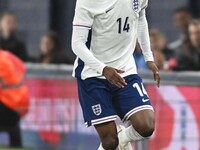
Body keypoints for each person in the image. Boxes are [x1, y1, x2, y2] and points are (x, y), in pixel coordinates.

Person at [71, 0, 160, 149]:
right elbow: (77, 43)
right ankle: (116, 140)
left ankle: (122, 137)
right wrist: (103, 69)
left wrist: (148, 57)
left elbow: (140, 17)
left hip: (126, 70)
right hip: (93, 75)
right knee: (110, 142)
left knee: (146, 127)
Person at [0, 49, 29, 147]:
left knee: (8, 122)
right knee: (12, 125)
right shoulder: (8, 55)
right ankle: (16, 144)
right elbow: (22, 68)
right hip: (22, 100)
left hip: (8, 101)